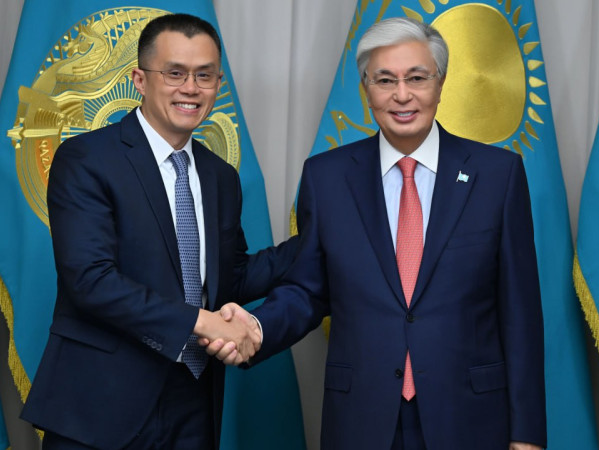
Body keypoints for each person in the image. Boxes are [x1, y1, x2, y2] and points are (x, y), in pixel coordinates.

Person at [207, 17, 547, 450]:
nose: (402, 95)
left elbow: (520, 314)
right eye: (385, 80)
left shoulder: (497, 175)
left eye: (417, 78)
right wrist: (257, 327)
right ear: (366, 89)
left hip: (469, 417)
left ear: (440, 83)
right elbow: (309, 289)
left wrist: (527, 435)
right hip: (362, 417)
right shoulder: (327, 178)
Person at [20, 13, 296, 450]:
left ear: (218, 84)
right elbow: (90, 280)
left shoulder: (220, 176)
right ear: (140, 80)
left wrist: (319, 242)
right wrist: (202, 322)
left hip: (193, 401)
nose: (191, 88)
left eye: (204, 75)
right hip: (101, 403)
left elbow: (231, 277)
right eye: (175, 73)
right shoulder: (86, 158)